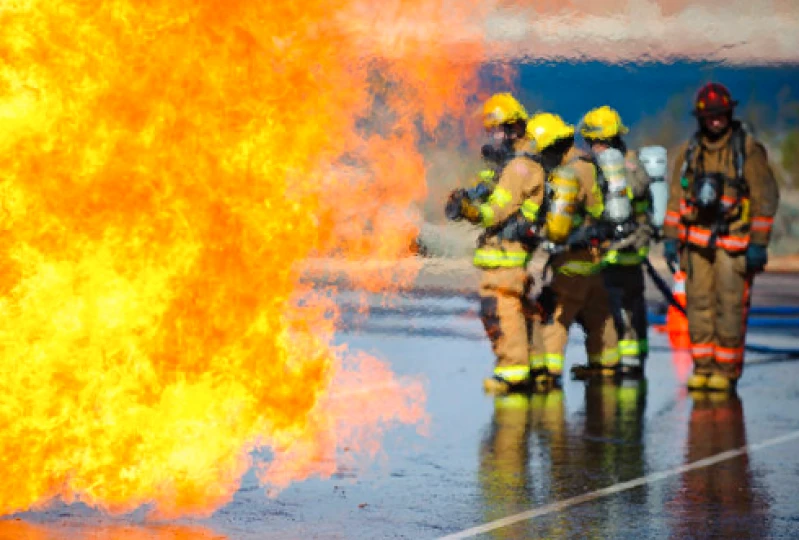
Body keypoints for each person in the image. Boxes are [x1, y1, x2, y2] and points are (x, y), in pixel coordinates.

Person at [662, 82, 780, 392]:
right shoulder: (691, 152)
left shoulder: (747, 151)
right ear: (701, 118)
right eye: (710, 116)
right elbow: (676, 197)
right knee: (698, 305)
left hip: (734, 245)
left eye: (721, 115)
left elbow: (764, 198)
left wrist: (758, 244)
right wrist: (671, 238)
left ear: (729, 114)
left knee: (729, 307)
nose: (716, 121)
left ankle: (726, 371)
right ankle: (703, 366)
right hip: (696, 244)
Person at [445, 92, 545, 394]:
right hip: (508, 255)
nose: (494, 136)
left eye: (498, 129)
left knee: (501, 310)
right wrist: (469, 197)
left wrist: (469, 211)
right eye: (491, 130)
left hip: (507, 257)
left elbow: (493, 213)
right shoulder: (512, 166)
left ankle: (512, 372)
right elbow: (490, 195)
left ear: (515, 129)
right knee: (522, 309)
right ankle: (537, 367)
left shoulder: (519, 168)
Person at [525, 112, 620, 385]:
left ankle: (548, 374)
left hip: (571, 261)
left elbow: (558, 228)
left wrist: (541, 244)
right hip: (597, 259)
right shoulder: (590, 165)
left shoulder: (568, 175)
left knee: (556, 317)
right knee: (599, 315)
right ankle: (606, 367)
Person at [579, 106, 653, 378]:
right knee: (632, 305)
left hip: (612, 250)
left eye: (592, 141)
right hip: (633, 247)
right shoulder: (635, 163)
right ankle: (632, 361)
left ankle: (613, 362)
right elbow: (646, 204)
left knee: (610, 308)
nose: (591, 147)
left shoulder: (604, 168)